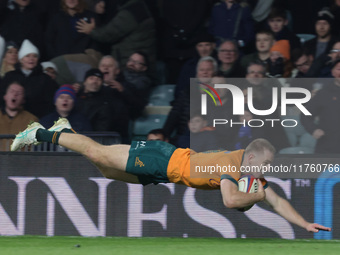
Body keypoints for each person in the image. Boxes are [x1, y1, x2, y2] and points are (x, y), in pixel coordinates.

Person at [10, 122, 331, 233]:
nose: (267, 169)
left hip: (165, 175)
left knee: (106, 170)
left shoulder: (251, 175)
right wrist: (258, 196)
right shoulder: (233, 166)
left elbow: (276, 199)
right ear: (251, 157)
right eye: (266, 163)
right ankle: (39, 132)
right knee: (99, 154)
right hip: (162, 158)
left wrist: (303, 224)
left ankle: (65, 133)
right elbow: (232, 201)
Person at [0, 39, 59, 118]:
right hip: (10, 118)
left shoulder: (45, 79)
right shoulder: (10, 76)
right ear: (21, 59)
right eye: (27, 56)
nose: (31, 59)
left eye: (34, 56)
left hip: (37, 120)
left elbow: (51, 101)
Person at [301, 59, 340, 154]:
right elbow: (305, 115)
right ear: (333, 72)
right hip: (328, 148)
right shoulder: (323, 94)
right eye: (339, 69)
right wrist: (313, 130)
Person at [0, 82, 38, 151]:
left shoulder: (31, 120)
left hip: (20, 160)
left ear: (23, 99)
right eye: (12, 91)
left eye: (19, 93)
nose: (15, 94)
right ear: (5, 96)